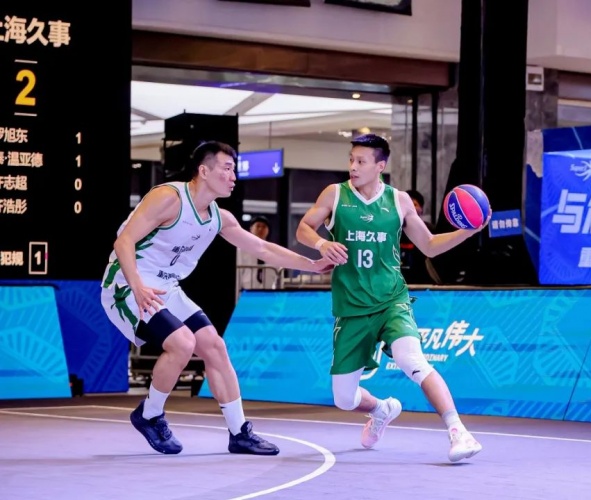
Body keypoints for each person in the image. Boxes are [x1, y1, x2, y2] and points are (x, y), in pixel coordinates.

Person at [100, 141, 333, 456]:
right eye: (227, 168)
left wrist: (313, 265)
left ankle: (239, 433)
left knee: (214, 346)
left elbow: (263, 249)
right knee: (183, 343)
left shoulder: (219, 218)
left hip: (166, 287)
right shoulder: (168, 198)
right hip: (127, 284)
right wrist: (138, 285)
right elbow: (123, 241)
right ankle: (150, 414)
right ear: (204, 171)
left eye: (234, 170)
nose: (233, 176)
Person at [296, 133, 488, 463]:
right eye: (351, 159)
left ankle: (459, 431)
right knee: (344, 399)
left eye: (361, 161)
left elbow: (429, 246)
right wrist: (322, 243)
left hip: (391, 301)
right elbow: (303, 228)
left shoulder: (398, 201)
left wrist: (467, 232)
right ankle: (382, 409)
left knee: (413, 361)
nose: (353, 166)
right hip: (352, 308)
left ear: (380, 166)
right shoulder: (335, 194)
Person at [237, 215, 279, 290]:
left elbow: (278, 273)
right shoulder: (242, 249)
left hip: (268, 291)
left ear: (268, 230)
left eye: (264, 226)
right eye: (258, 226)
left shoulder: (274, 251)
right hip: (248, 290)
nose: (260, 229)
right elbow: (238, 273)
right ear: (251, 228)